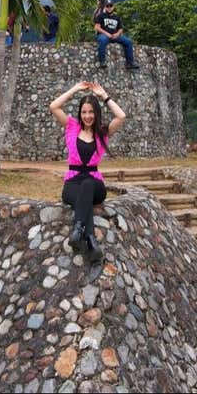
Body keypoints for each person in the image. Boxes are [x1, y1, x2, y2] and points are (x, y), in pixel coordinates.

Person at [49, 81, 126, 263]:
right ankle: (90, 239)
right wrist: (75, 89)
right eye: (84, 112)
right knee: (83, 198)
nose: (87, 116)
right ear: (80, 113)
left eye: (91, 112)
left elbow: (121, 116)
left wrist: (104, 96)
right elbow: (54, 106)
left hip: (95, 184)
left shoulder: (102, 132)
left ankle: (77, 230)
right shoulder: (71, 127)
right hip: (72, 183)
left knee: (88, 184)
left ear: (96, 113)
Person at [94, 0, 139, 70]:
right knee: (102, 41)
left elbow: (120, 28)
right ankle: (102, 61)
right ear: (105, 7)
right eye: (107, 6)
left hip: (115, 36)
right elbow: (97, 27)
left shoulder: (117, 17)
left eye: (110, 6)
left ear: (113, 7)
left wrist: (117, 34)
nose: (109, 7)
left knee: (128, 42)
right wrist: (107, 34)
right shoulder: (101, 15)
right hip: (104, 35)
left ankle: (130, 63)